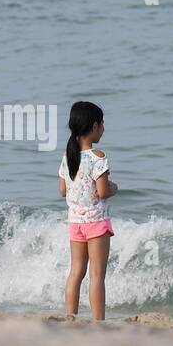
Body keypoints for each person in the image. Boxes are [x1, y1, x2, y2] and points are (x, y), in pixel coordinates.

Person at [59, 101, 116, 320]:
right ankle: (98, 322)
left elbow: (62, 190)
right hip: (96, 223)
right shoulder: (98, 157)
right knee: (96, 275)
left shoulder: (68, 157)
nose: (103, 129)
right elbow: (102, 191)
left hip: (75, 223)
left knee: (75, 272)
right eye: (102, 124)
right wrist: (115, 188)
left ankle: (70, 317)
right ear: (93, 126)